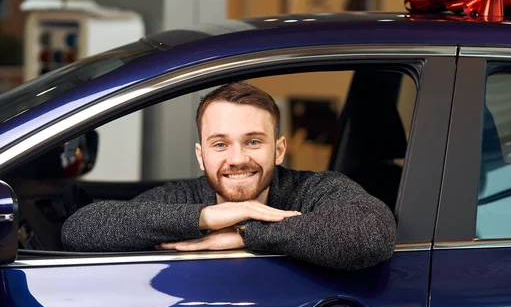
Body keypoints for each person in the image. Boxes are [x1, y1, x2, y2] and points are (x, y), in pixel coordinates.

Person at [61, 82, 396, 270]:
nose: (237, 159)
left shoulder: (314, 188)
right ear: (201, 156)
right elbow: (81, 229)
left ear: (278, 150)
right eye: (220, 144)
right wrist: (209, 216)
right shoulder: (185, 198)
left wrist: (246, 233)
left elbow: (371, 234)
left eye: (253, 141)